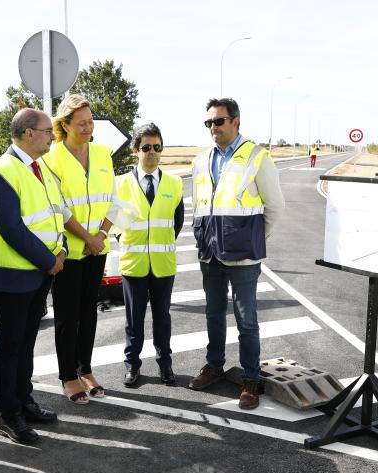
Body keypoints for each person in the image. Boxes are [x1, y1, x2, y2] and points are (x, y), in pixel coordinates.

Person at [187, 97, 285, 410]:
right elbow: (201, 204)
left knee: (247, 321)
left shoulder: (257, 156)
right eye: (208, 123)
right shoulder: (201, 160)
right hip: (210, 253)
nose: (213, 128)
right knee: (214, 315)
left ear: (236, 122)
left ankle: (251, 380)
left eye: (218, 121)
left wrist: (255, 237)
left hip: (243, 256)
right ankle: (214, 365)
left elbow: (275, 207)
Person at [0, 108, 65, 444]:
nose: (52, 136)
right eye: (48, 131)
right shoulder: (2, 170)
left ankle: (24, 401)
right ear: (29, 133)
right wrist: (49, 260)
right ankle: (8, 414)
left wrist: (60, 252)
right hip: (15, 275)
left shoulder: (38, 166)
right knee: (10, 345)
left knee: (26, 342)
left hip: (39, 272)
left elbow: (50, 217)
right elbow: (12, 228)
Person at [46, 94, 121, 404]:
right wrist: (87, 238)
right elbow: (58, 207)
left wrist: (101, 234)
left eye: (91, 121)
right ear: (65, 125)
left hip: (96, 250)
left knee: (89, 312)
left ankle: (85, 369)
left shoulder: (103, 154)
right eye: (81, 123)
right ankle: (67, 376)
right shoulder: (52, 158)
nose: (89, 127)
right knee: (67, 316)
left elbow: (113, 199)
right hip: (69, 252)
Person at [114, 123, 184, 388]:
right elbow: (115, 223)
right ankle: (132, 365)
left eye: (157, 147)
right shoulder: (120, 184)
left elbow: (176, 224)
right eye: (146, 148)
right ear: (135, 150)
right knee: (134, 321)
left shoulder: (175, 184)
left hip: (163, 266)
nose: (152, 153)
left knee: (162, 318)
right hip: (133, 265)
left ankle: (165, 365)